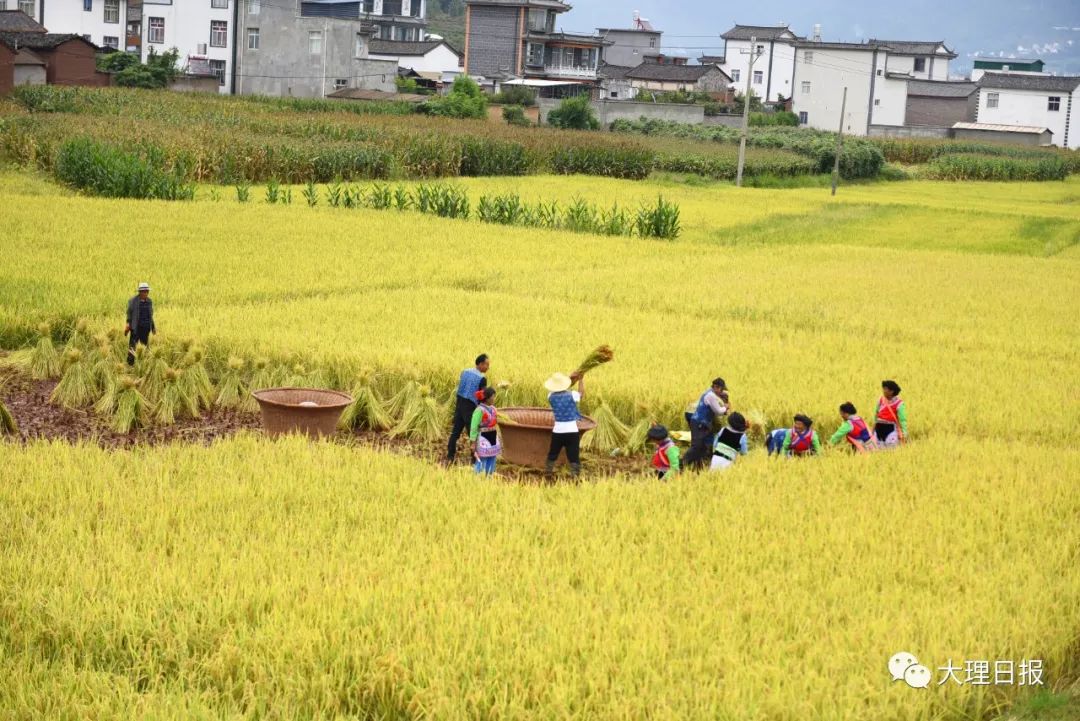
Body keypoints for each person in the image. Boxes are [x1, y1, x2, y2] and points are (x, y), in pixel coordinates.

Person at [445, 354, 490, 464]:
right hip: (470, 407)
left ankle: (450, 456)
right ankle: (475, 459)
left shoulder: (465, 372)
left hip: (459, 403)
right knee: (473, 434)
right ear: (480, 364)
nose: (488, 367)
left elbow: (461, 388)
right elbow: (481, 396)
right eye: (486, 365)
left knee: (455, 432)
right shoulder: (482, 378)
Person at [682, 377, 730, 470]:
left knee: (701, 446)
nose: (721, 392)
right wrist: (725, 408)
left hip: (700, 422)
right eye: (722, 389)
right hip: (698, 422)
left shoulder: (709, 392)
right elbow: (719, 411)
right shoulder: (711, 396)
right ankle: (682, 463)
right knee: (697, 446)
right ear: (716, 387)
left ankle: (697, 465)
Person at [544, 371, 585, 479]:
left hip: (558, 431)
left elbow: (561, 389)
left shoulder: (550, 396)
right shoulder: (572, 395)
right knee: (573, 456)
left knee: (553, 453)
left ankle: (548, 473)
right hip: (572, 430)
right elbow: (581, 394)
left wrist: (571, 379)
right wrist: (580, 380)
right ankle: (575, 476)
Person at [469, 387, 501, 476]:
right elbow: (474, 427)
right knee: (482, 458)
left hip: (492, 436)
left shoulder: (493, 409)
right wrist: (473, 442)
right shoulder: (479, 410)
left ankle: (489, 476)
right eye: (493, 396)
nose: (494, 398)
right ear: (487, 398)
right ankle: (477, 476)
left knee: (492, 457)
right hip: (482, 437)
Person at [125, 282, 156, 366]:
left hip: (146, 328)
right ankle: (130, 365)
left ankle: (142, 363)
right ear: (140, 292)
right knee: (133, 346)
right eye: (144, 291)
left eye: (147, 291)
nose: (146, 293)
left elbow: (151, 315)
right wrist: (128, 323)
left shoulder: (149, 301)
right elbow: (129, 313)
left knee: (144, 346)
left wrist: (153, 327)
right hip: (136, 327)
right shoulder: (133, 301)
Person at [874, 380, 908, 448]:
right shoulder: (881, 400)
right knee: (877, 450)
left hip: (891, 429)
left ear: (891, 391)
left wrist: (904, 433)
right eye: (883, 388)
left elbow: (903, 420)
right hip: (878, 428)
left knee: (890, 451)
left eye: (885, 389)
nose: (883, 390)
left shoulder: (899, 404)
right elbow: (876, 413)